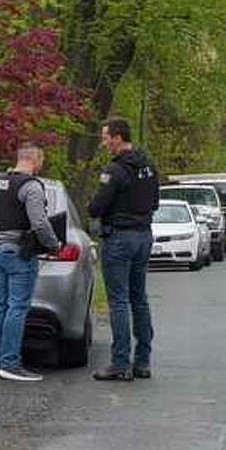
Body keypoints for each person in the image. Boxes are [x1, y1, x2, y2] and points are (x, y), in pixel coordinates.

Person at [88, 117, 160, 381]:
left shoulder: (115, 170)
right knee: (139, 299)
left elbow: (96, 207)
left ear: (117, 137)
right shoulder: (149, 166)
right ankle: (142, 361)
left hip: (119, 238)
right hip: (143, 236)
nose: (103, 141)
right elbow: (155, 202)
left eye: (105, 136)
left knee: (118, 301)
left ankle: (120, 362)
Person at [0, 143, 60, 382]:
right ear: (34, 159)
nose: (42, 165)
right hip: (19, 252)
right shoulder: (31, 186)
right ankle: (11, 364)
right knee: (17, 307)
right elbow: (39, 222)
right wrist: (53, 244)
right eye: (42, 160)